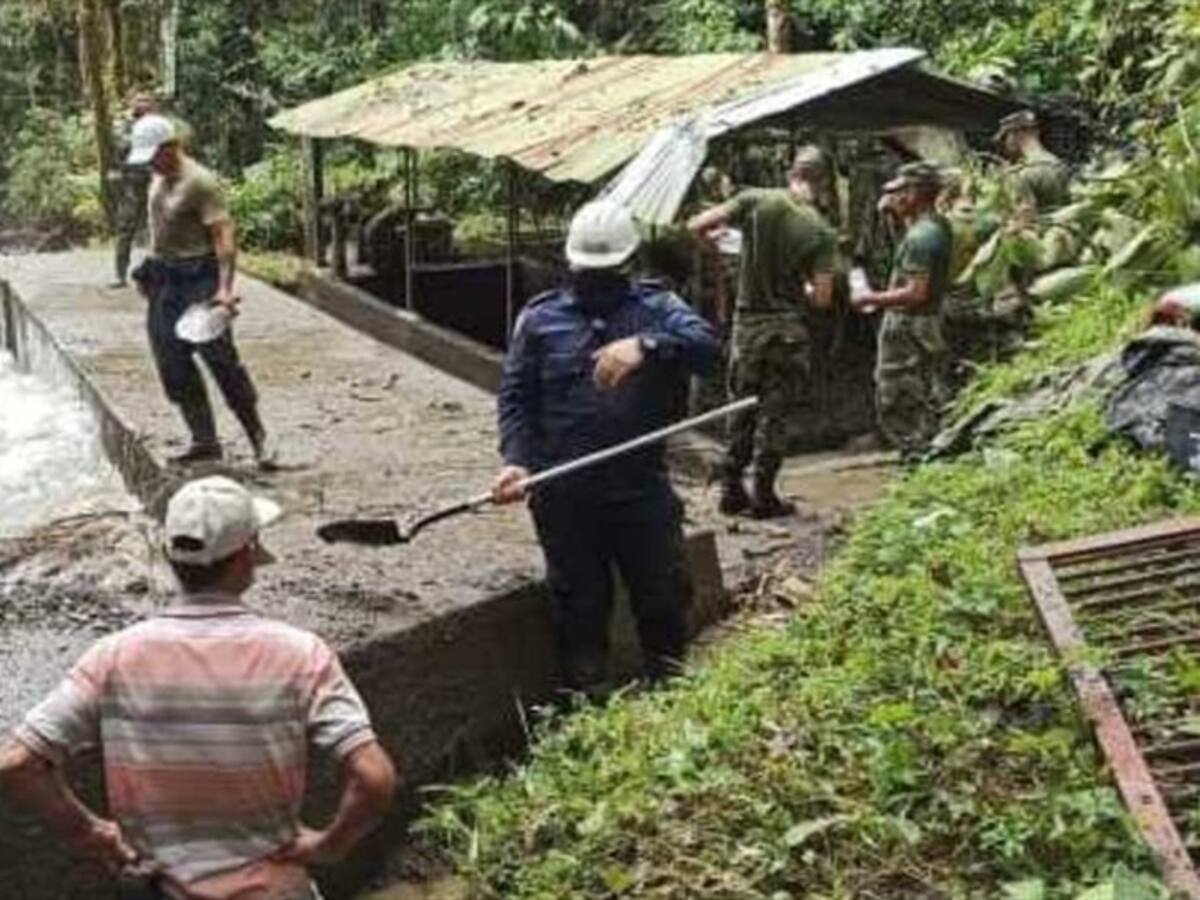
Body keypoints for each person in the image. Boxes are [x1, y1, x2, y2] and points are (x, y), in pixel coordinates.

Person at [0, 476, 397, 899]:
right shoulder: (301, 655)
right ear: (250, 552)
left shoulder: (113, 657)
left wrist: (92, 833)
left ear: (170, 556)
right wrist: (327, 846)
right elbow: (374, 777)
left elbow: (19, 764)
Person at [492, 199, 720, 692]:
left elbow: (708, 351)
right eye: (587, 271)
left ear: (628, 264)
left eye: (607, 271)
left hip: (640, 489)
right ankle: (588, 709)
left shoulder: (658, 309)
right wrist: (514, 461)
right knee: (580, 609)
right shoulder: (539, 321)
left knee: (661, 598)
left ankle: (669, 693)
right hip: (564, 495)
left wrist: (647, 346)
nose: (595, 281)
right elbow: (515, 399)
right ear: (570, 263)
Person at [688, 156, 838, 518]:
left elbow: (696, 225)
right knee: (775, 413)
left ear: (792, 174)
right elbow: (822, 298)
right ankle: (764, 494)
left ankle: (730, 487)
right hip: (787, 331)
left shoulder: (757, 199)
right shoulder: (821, 231)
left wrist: (718, 249)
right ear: (824, 184)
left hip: (747, 327)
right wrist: (800, 285)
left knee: (742, 406)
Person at [128, 114, 277, 467]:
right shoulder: (157, 175)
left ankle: (258, 436)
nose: (151, 163)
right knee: (172, 363)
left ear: (172, 147)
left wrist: (224, 289)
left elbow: (224, 237)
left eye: (155, 155)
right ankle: (204, 439)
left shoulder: (201, 183)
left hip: (199, 279)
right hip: (164, 281)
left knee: (222, 362)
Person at [851, 162, 954, 458]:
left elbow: (915, 292)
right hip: (926, 321)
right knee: (924, 389)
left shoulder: (920, 238)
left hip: (909, 325)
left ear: (913, 194)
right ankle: (927, 450)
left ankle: (917, 454)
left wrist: (870, 298)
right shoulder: (936, 225)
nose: (892, 198)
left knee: (898, 396)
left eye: (899, 192)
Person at [109, 91, 159, 289]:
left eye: (146, 100)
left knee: (158, 228)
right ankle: (120, 275)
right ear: (132, 104)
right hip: (130, 182)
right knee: (125, 229)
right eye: (139, 100)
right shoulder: (123, 124)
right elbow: (121, 146)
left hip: (154, 181)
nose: (143, 103)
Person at [995, 110, 1071, 217]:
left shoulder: (1020, 173)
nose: (1006, 144)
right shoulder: (1059, 165)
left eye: (1005, 137)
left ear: (1015, 134)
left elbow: (1024, 218)